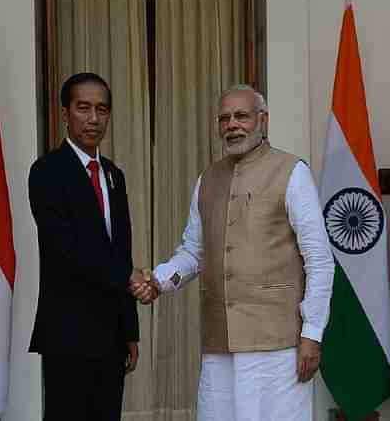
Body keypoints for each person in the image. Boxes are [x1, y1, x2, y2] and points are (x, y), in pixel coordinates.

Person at [132, 85, 335, 421]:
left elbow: (319, 259)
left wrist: (312, 333)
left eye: (241, 116)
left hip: (278, 346)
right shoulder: (208, 178)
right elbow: (194, 252)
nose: (232, 124)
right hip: (220, 345)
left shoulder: (291, 172)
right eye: (224, 118)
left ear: (263, 120)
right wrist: (159, 279)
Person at [29, 72, 148, 421]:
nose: (93, 118)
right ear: (65, 113)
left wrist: (130, 330)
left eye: (102, 109)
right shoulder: (47, 171)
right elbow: (66, 249)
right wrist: (129, 277)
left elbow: (120, 250)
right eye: (83, 108)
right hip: (68, 333)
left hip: (110, 336)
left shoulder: (114, 175)